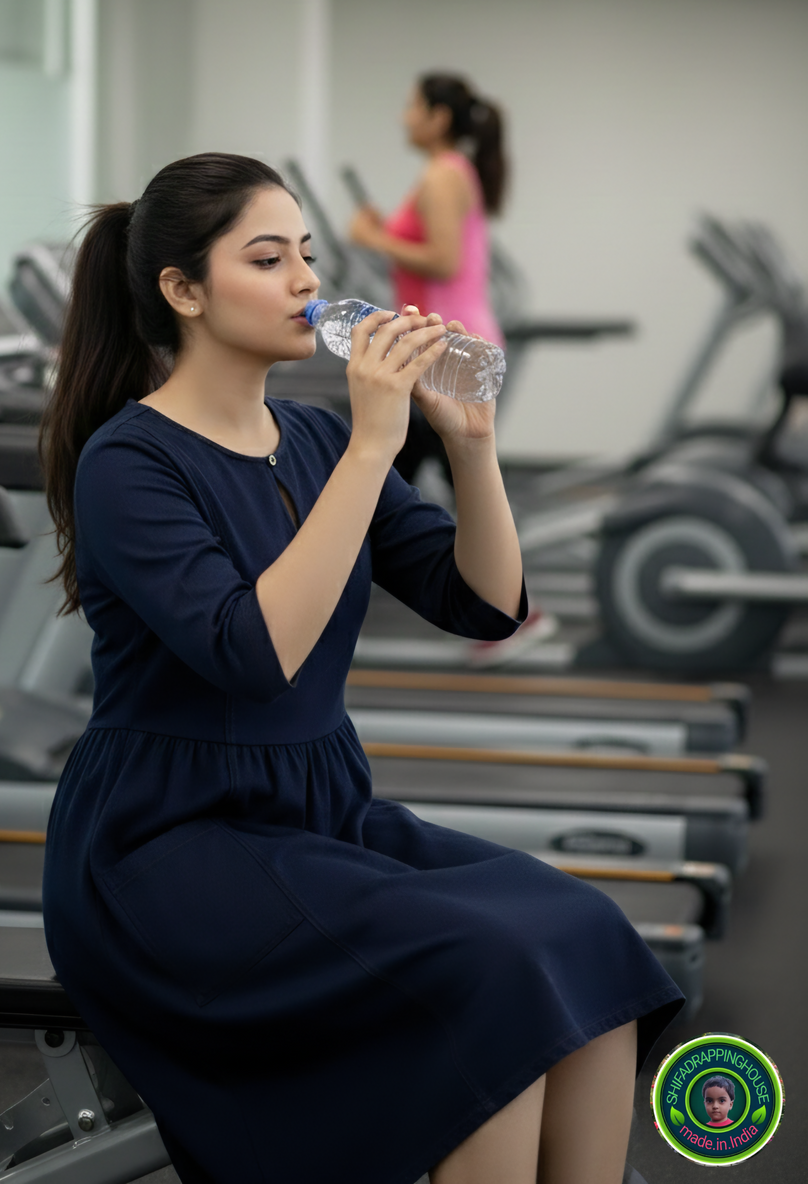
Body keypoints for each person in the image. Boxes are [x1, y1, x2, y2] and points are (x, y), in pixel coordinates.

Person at [40, 152, 682, 1184]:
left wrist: (470, 445)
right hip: (169, 844)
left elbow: (483, 603)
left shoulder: (311, 435)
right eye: (268, 259)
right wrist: (374, 445)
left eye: (306, 253)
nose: (307, 279)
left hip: (316, 813)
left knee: (584, 932)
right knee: (489, 976)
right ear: (184, 291)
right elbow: (256, 655)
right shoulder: (130, 461)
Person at [347, 71, 506, 347]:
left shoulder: (443, 174)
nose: (404, 118)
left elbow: (444, 262)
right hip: (441, 335)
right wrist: (386, 230)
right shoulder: (447, 170)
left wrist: (372, 238)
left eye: (413, 107)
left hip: (452, 336)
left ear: (439, 118)